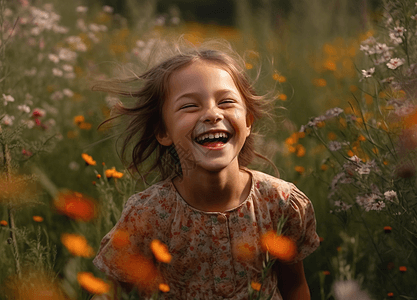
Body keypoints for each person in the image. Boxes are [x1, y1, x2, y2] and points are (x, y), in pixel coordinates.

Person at [93, 40, 320, 300]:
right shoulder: (147, 215)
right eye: (190, 106)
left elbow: (294, 287)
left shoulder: (281, 204)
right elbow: (112, 293)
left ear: (247, 121)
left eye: (226, 102)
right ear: (163, 131)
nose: (212, 114)